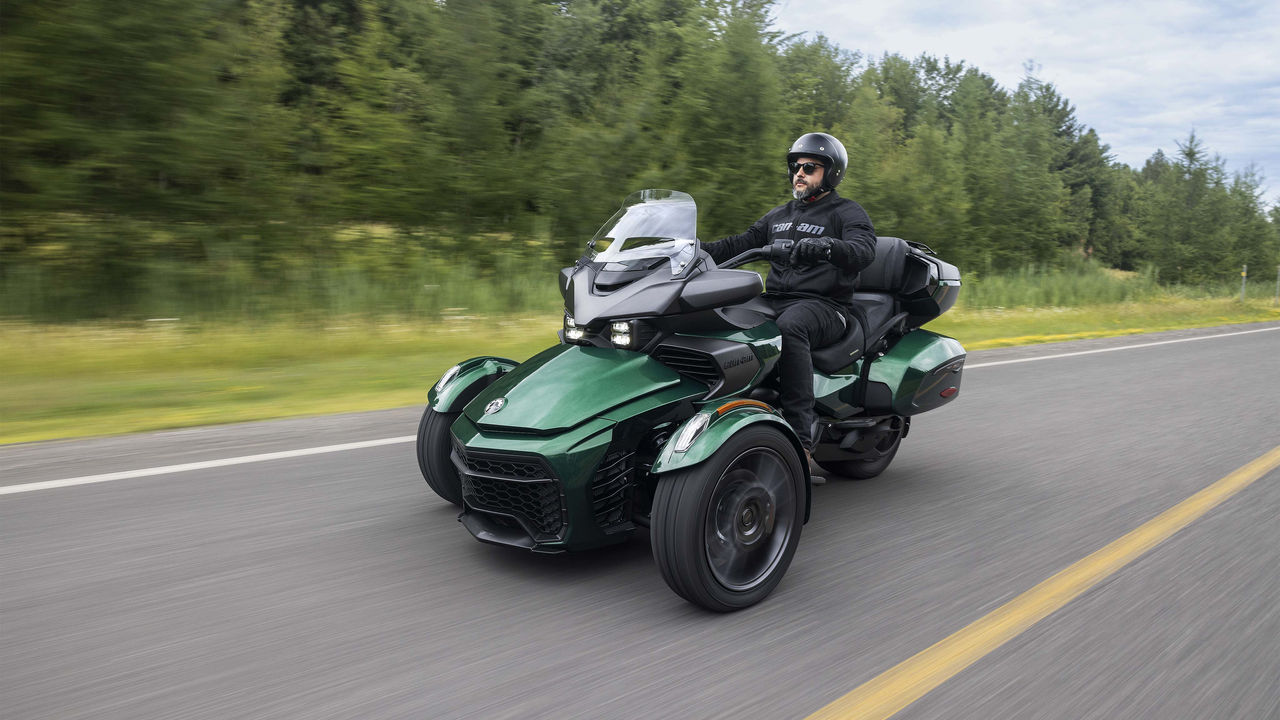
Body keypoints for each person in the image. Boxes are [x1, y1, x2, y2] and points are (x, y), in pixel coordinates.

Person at [702, 132, 877, 464]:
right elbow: (737, 244)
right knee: (721, 317)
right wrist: (690, 248)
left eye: (810, 167)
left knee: (790, 327)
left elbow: (864, 251)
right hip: (775, 299)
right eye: (795, 166)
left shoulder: (846, 212)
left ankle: (801, 443)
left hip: (826, 306)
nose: (800, 172)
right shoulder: (778, 215)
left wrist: (828, 246)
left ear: (831, 173)